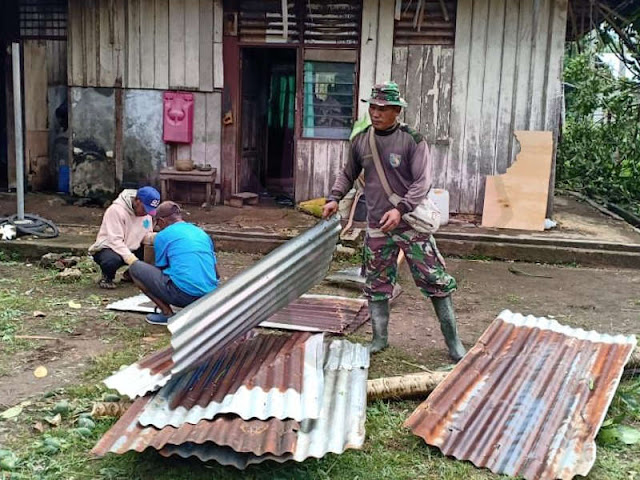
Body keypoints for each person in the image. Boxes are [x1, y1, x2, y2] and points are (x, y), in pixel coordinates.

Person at [322, 81, 466, 362]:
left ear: (397, 111)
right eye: (373, 107)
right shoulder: (361, 140)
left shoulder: (412, 140)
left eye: (383, 108)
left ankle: (454, 343)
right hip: (377, 225)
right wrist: (334, 197)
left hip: (410, 223)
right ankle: (379, 339)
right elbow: (347, 173)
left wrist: (400, 209)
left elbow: (422, 183)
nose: (376, 113)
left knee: (435, 280)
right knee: (376, 283)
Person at [128, 201, 219, 325]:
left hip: (186, 295)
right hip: (210, 296)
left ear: (160, 221)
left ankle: (167, 314)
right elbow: (216, 273)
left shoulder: (163, 236)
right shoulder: (201, 233)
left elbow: (161, 268)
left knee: (135, 268)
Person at [89, 186, 160, 289]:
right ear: (137, 201)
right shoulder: (116, 210)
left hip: (133, 246)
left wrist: (156, 238)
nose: (146, 213)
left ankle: (131, 274)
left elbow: (145, 235)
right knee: (111, 260)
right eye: (145, 209)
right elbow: (115, 241)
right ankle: (107, 277)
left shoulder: (146, 214)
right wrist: (131, 259)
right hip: (110, 247)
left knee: (153, 249)